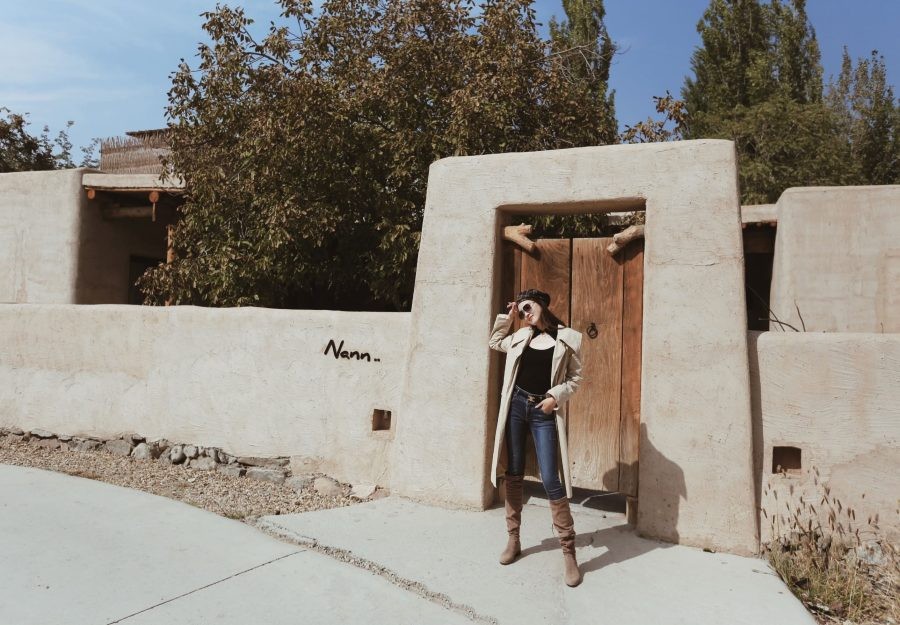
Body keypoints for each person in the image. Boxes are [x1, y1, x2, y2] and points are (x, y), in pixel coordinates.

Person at [488, 288, 584, 587]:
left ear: (542, 304)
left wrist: (555, 397)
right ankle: (513, 539)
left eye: (528, 307)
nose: (525, 314)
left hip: (543, 411)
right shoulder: (520, 336)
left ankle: (568, 551)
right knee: (514, 472)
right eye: (522, 310)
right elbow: (494, 342)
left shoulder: (568, 338)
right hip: (516, 406)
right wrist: (509, 317)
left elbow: (575, 378)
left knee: (551, 478)